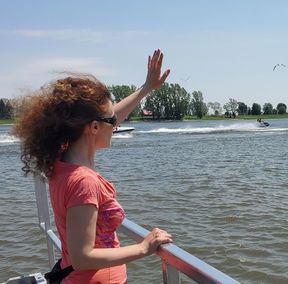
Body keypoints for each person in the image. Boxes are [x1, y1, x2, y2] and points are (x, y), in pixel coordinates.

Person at [12, 49, 173, 284]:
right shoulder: (84, 182)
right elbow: (82, 257)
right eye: (111, 122)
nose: (116, 125)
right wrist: (144, 248)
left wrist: (146, 87)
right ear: (94, 127)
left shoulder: (61, 159)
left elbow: (108, 116)